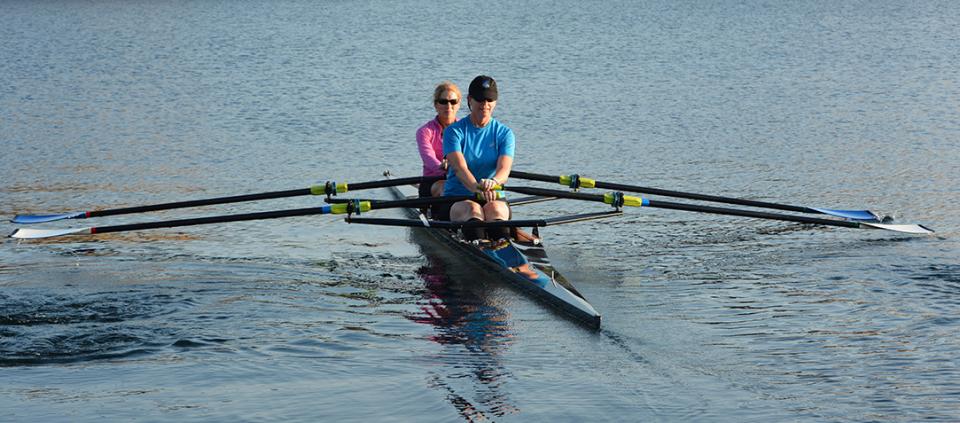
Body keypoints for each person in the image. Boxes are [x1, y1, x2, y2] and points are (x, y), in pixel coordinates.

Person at [441, 75, 514, 241]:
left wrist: (494, 182)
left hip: (493, 195)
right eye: (480, 99)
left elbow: (504, 170)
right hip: (457, 198)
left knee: (495, 210)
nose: (485, 104)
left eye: (490, 99)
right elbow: (460, 169)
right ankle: (482, 251)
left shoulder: (504, 133)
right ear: (469, 100)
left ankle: (505, 250)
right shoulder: (454, 132)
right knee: (473, 210)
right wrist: (476, 189)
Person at [416, 81, 462, 199]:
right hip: (433, 181)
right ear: (436, 105)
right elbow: (429, 159)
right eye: (443, 102)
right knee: (447, 187)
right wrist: (443, 168)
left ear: (458, 104)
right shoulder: (425, 132)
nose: (448, 106)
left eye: (453, 102)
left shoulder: (465, 130)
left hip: (461, 178)